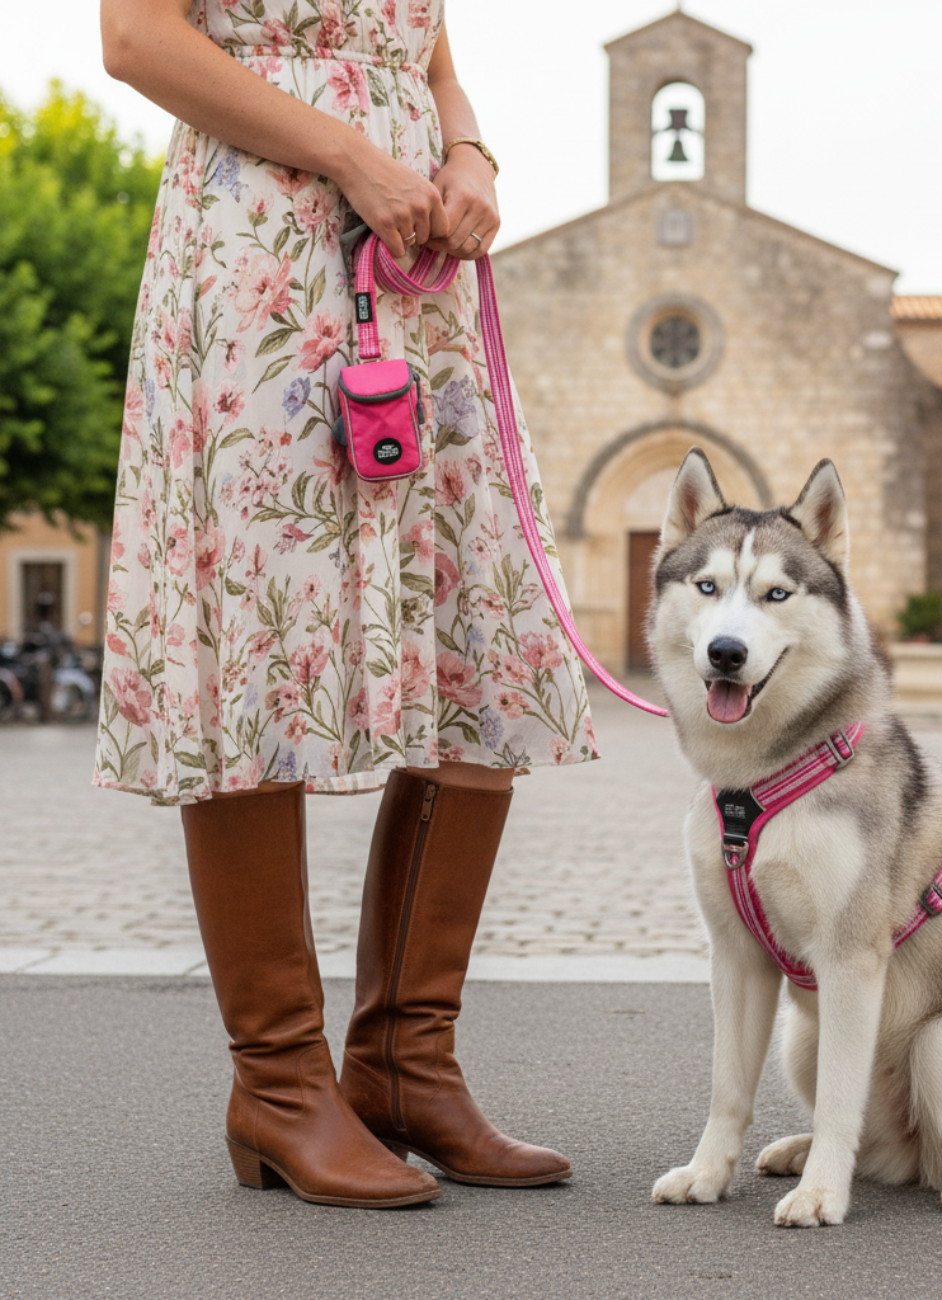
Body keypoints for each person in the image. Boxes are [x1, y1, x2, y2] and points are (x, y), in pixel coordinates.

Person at [97, 0, 598, 1208]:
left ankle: (402, 1063)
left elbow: (433, 67)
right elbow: (134, 39)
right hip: (260, 259)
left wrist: (468, 154)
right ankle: (277, 1084)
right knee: (264, 628)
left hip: (416, 282)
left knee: (483, 639)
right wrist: (351, 153)